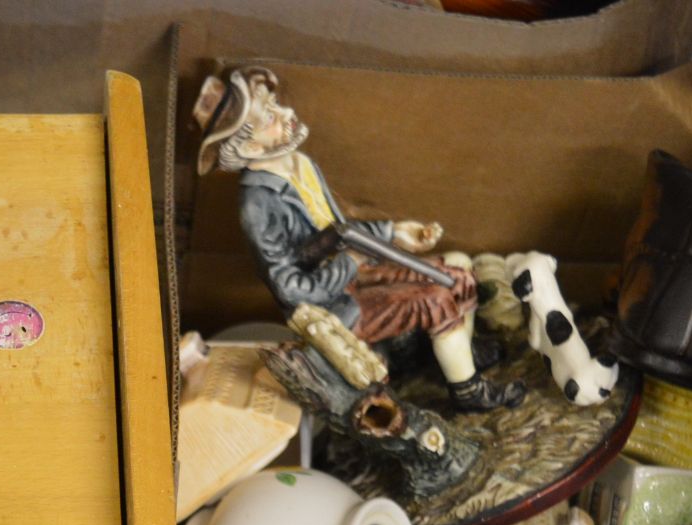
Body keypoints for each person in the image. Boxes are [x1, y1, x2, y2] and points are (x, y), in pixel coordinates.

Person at [195, 67, 523, 413]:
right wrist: (348, 263)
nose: (288, 114)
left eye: (276, 105)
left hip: (354, 271)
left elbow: (338, 229)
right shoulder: (257, 204)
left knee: (457, 265)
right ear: (249, 145)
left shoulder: (299, 163)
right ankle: (468, 392)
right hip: (331, 306)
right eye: (272, 118)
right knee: (436, 297)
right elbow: (290, 288)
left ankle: (460, 356)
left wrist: (393, 233)